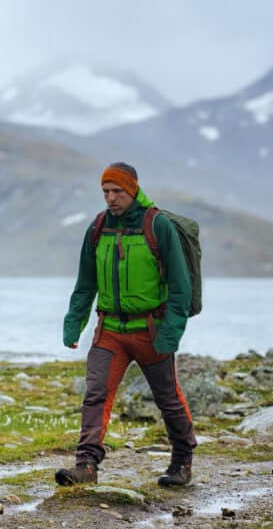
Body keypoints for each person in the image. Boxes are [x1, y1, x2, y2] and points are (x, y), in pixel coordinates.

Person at [57, 162, 197, 488]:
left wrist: (170, 334)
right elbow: (85, 284)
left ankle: (182, 460)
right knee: (96, 394)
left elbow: (181, 287)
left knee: (167, 398)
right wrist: (73, 324)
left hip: (150, 331)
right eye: (105, 191)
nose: (110, 198)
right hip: (109, 331)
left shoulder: (158, 226)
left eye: (117, 191)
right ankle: (86, 465)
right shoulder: (98, 228)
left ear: (132, 190)